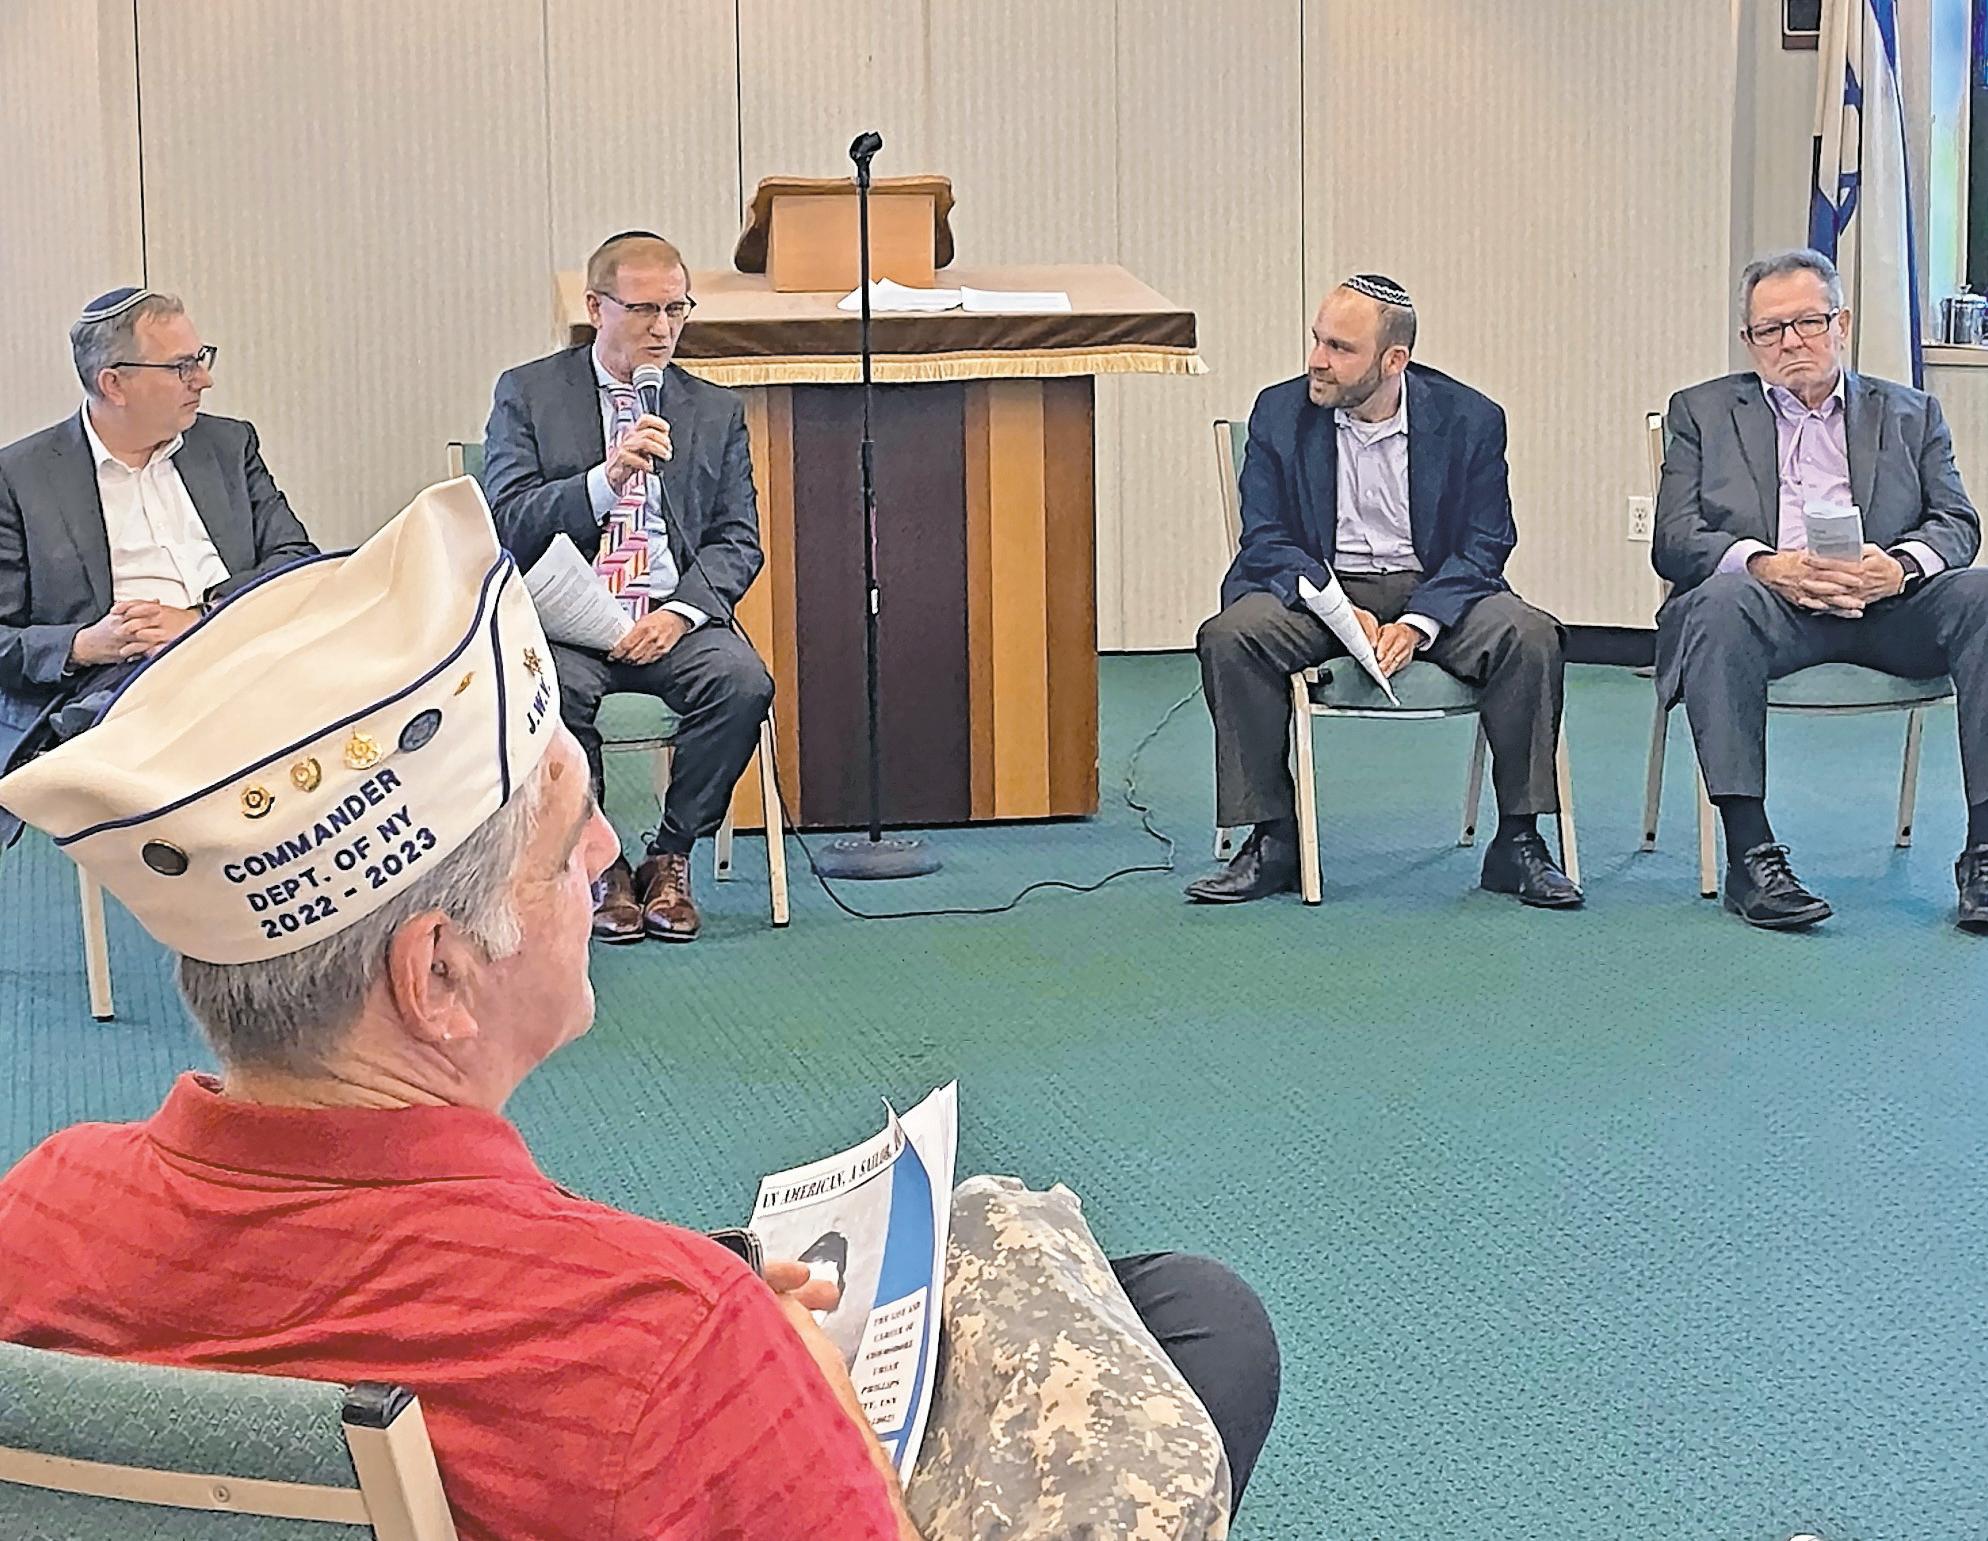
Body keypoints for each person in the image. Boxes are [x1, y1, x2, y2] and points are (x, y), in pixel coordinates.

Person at [0, 481, 1278, 1541]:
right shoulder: (669, 1345)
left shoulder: (42, 1208)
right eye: (569, 841)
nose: (610, 848)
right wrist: (807, 1389)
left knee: (1168, 1298)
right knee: (1197, 1334)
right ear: (437, 978)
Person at [1188, 274, 1580, 908]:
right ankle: (1274, 839)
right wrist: (1341, 608)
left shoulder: (1471, 419)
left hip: (1437, 587)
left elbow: (1486, 542)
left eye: (1340, 348)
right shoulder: (1280, 413)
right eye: (1317, 339)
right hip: (1320, 587)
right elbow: (1264, 538)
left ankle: (1518, 841)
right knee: (1231, 636)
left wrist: (1420, 621)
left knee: (1531, 635)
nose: (1318, 360)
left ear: (1394, 360)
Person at [1654, 247, 1988, 931]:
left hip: (1891, 608)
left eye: (1807, 322)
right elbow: (1675, 537)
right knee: (1717, 602)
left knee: (1984, 597)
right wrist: (1765, 564)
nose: (1790, 342)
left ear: (1842, 323)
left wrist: (1900, 566)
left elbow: (1957, 522)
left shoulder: (1911, 413)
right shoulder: (1702, 412)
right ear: (1748, 339)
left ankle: (1985, 853)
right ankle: (1751, 857)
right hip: (1769, 611)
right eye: (1769, 330)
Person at [482, 231, 770, 945]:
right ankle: (601, 863)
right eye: (643, 309)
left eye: (676, 308)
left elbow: (738, 539)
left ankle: (669, 856)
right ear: (595, 307)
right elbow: (506, 520)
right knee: (555, 692)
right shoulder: (529, 393)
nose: (662, 328)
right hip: (568, 624)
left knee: (742, 683)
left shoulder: (713, 410)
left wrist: (681, 614)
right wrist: (603, 482)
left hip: (668, 618)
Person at [0, 287, 315, 844]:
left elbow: (297, 562)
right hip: (116, 689)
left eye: (201, 358)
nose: (204, 380)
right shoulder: (21, 478)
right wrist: (84, 644)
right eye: (181, 367)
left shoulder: (228, 445)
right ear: (114, 384)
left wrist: (202, 620)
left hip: (243, 650)